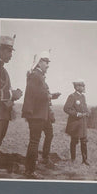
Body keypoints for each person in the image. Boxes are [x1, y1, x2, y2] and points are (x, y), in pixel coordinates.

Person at [22, 51, 61, 179]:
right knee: (34, 142)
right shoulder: (36, 75)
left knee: (34, 141)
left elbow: (39, 94)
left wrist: (50, 96)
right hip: (36, 115)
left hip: (38, 115)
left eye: (48, 62)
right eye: (46, 62)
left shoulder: (39, 76)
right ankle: (29, 171)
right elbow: (35, 94)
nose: (48, 65)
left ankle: (30, 169)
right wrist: (50, 95)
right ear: (39, 62)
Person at [0, 35, 23, 150]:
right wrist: (13, 94)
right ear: (0, 50)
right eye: (8, 51)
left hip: (3, 115)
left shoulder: (2, 69)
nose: (11, 55)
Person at [63, 79, 90, 165]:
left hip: (82, 123)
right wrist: (76, 114)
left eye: (83, 86)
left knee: (84, 141)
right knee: (74, 141)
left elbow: (84, 107)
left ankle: (85, 160)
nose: (84, 87)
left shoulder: (83, 97)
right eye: (82, 86)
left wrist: (87, 112)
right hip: (75, 124)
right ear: (77, 87)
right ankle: (73, 159)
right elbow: (66, 108)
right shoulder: (72, 96)